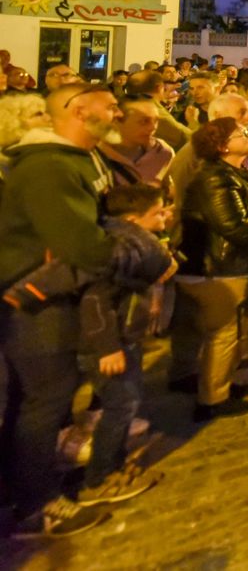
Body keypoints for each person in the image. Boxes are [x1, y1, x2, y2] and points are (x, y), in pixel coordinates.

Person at [4, 184, 174, 506]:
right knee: (121, 404)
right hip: (107, 345)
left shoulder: (129, 242)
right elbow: (97, 299)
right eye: (159, 212)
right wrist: (108, 347)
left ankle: (109, 467)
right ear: (134, 220)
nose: (166, 216)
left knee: (126, 401)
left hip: (121, 339)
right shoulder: (120, 249)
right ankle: (101, 477)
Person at [0, 83, 119, 538]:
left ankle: (24, 485)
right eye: (109, 106)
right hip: (36, 304)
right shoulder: (49, 165)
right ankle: (36, 505)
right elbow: (82, 244)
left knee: (42, 401)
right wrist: (126, 248)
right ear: (78, 110)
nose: (115, 112)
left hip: (55, 296)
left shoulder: (75, 159)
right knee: (43, 403)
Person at [174, 118, 248, 422]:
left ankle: (221, 383)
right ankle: (212, 398)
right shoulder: (215, 178)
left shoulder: (235, 173)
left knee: (231, 330)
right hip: (218, 266)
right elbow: (233, 224)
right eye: (242, 134)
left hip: (230, 264)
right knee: (222, 334)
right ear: (223, 146)